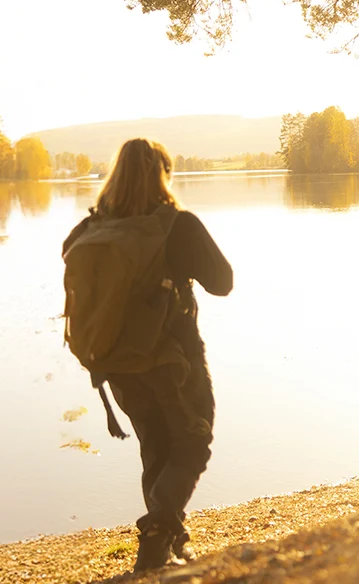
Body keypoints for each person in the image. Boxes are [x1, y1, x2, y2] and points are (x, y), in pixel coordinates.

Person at [62, 138, 232, 571]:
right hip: (174, 359)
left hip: (115, 360)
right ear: (163, 174)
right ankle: (158, 532)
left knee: (155, 445)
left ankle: (167, 543)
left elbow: (68, 257)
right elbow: (223, 281)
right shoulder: (176, 225)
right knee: (194, 442)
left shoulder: (90, 228)